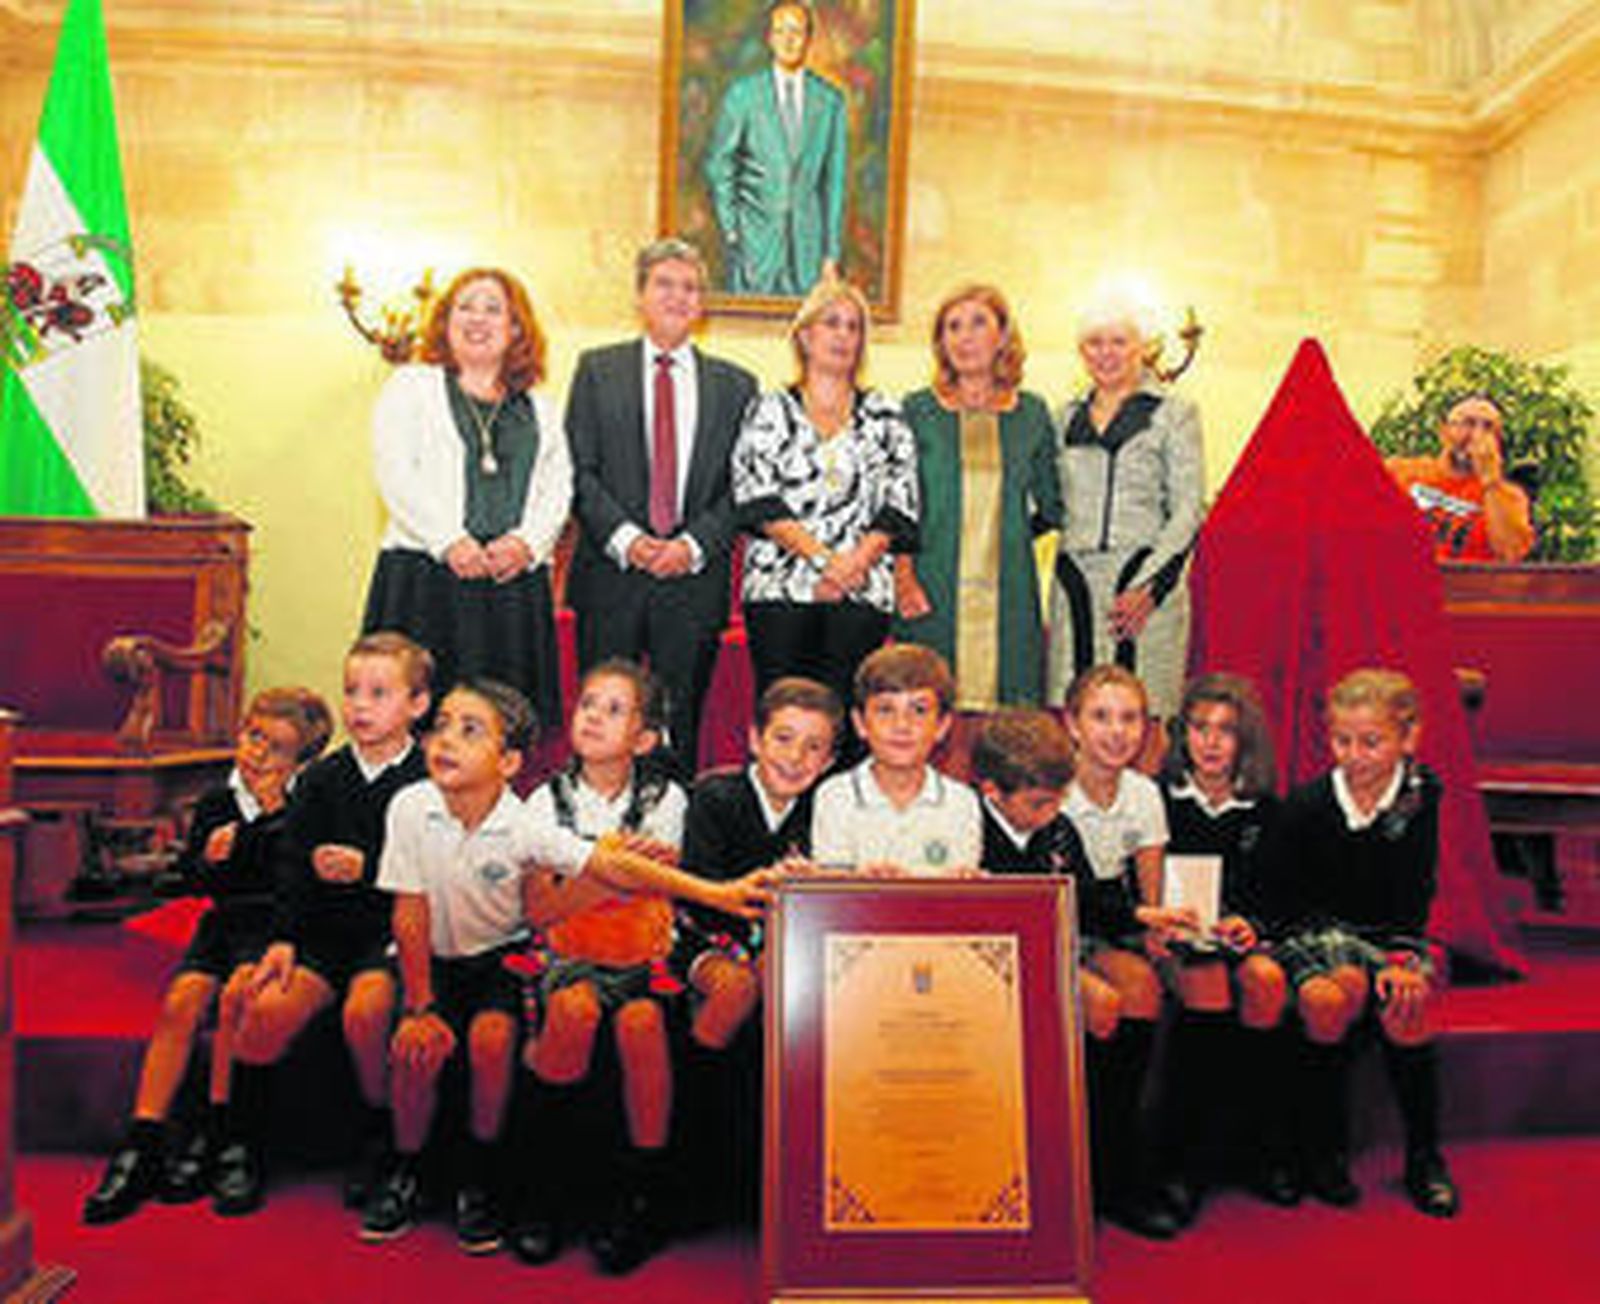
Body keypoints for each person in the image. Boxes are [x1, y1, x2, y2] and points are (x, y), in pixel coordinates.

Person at [359, 677, 772, 1254]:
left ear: (508, 761)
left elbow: (621, 874)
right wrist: (419, 1004)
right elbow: (416, 914)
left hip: (571, 955)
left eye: (469, 729)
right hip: (461, 959)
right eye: (443, 725)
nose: (446, 740)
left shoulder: (544, 820)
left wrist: (714, 892)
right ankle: (412, 1166)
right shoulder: (416, 805)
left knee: (506, 1036)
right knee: (423, 1045)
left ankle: (508, 1179)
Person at [81, 687, 332, 1226]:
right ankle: (143, 1141)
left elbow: (295, 880)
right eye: (253, 736)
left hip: (273, 927)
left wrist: (266, 823)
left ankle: (221, 1134)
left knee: (237, 999)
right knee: (182, 1002)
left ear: (302, 762)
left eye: (276, 747)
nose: (257, 753)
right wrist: (208, 860)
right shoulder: (218, 800)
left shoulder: (304, 809)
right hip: (223, 924)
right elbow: (191, 880)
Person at [217, 632, 433, 1217]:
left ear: (417, 704)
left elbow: (437, 880)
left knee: (366, 1011)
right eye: (352, 692)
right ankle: (242, 1144)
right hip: (318, 935)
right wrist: (284, 938)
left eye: (379, 693)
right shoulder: (320, 779)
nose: (360, 706)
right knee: (264, 1008)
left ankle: (377, 1132)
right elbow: (290, 867)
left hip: (387, 937)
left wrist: (370, 870)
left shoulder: (428, 781)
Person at [511, 660, 688, 1274]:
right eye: (588, 704)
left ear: (644, 738)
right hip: (565, 954)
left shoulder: (666, 799)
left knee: (642, 1025)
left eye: (614, 709)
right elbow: (540, 903)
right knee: (572, 1008)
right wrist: (615, 867)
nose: (594, 716)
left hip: (642, 958)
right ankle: (543, 1187)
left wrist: (585, 870)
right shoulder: (542, 799)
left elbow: (660, 889)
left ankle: (643, 1194)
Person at [1266, 668, 1459, 1218]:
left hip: (1386, 934)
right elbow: (1280, 896)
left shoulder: (1421, 795)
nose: (1355, 755)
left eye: (1371, 741)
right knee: (1331, 997)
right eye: (1342, 741)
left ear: (1409, 738)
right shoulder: (1307, 804)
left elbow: (1415, 889)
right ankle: (1323, 1148)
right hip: (1315, 931)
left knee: (1408, 1000)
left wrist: (1402, 958)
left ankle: (1425, 1157)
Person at [566, 238, 758, 777]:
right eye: (664, 284)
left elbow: (742, 485)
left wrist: (690, 546)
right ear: (641, 296)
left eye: (690, 287)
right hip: (611, 577)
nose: (678, 296)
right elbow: (578, 471)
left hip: (692, 583)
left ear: (702, 304)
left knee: (679, 720)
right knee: (602, 719)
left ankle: (669, 832)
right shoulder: (597, 370)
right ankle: (595, 832)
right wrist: (629, 540)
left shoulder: (736, 385)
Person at [361, 267, 570, 732]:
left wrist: (526, 544)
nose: (478, 318)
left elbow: (558, 487)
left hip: (510, 585)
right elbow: (395, 473)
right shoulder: (411, 387)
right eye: (466, 307)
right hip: (425, 580)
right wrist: (450, 541)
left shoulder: (540, 408)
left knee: (500, 728)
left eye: (494, 309)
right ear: (445, 321)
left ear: (516, 328)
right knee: (417, 723)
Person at [731, 275, 919, 725]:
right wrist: (825, 562)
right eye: (832, 323)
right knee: (784, 719)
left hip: (862, 589)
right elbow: (757, 498)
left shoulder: (886, 415)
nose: (843, 335)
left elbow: (900, 505)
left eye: (854, 327)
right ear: (805, 335)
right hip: (780, 588)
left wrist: (851, 566)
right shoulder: (769, 409)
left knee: (846, 722)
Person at [1059, 664, 1194, 1239]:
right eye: (1101, 717)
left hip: (1112, 926)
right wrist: (1142, 918)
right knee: (1102, 1002)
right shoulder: (1052, 787)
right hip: (1056, 925)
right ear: (1072, 724)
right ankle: (1074, 1170)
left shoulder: (1143, 794)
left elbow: (1151, 893)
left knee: (1143, 986)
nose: (1117, 732)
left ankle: (1121, 1167)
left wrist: (1163, 932)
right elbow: (1066, 898)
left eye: (1130, 718)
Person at [1155, 673, 1295, 1223]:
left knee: (1266, 982)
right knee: (1208, 983)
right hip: (1172, 939)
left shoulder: (1265, 808)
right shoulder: (1160, 797)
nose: (1211, 742)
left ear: (1246, 741)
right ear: (1181, 734)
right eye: (1200, 728)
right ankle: (1183, 1160)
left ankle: (1259, 1146)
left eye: (1226, 731)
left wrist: (1251, 923)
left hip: (1236, 938)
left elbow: (1280, 894)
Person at [894, 284, 1063, 714]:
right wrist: (903, 577)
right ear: (941, 343)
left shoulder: (1032, 414)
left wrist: (1010, 535)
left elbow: (1053, 503)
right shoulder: (917, 411)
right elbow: (897, 504)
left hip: (1009, 590)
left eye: (977, 323)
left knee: (1010, 716)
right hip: (931, 585)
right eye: (952, 327)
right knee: (926, 708)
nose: (964, 337)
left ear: (1003, 335)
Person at [1046, 287, 1205, 720]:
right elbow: (1043, 503)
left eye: (1119, 341)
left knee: (1142, 714)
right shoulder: (1062, 418)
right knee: (1073, 712)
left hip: (1145, 582)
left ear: (1143, 346)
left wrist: (1149, 587)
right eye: (1095, 343)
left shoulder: (1175, 413)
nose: (1107, 354)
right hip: (1075, 580)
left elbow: (1189, 509)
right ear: (1081, 351)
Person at [703, 1, 849, 296]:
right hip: (754, 248)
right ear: (769, 38)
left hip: (808, 253)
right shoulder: (743, 96)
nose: (788, 39)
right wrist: (733, 231)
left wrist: (830, 255)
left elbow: (833, 183)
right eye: (780, 31)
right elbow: (721, 165)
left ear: (809, 39)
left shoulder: (830, 101)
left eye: (796, 31)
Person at [810, 644, 980, 876]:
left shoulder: (962, 803)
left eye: (919, 710)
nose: (902, 725)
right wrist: (866, 884)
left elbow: (959, 898)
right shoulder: (835, 796)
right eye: (885, 710)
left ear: (942, 726)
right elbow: (831, 897)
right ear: (860, 723)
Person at [1386, 394, 1534, 563]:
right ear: (1444, 432)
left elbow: (1510, 554)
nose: (1477, 435)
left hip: (1465, 587)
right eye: (1468, 423)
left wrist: (1490, 481)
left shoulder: (1509, 498)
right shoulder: (1399, 472)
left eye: (1488, 427)